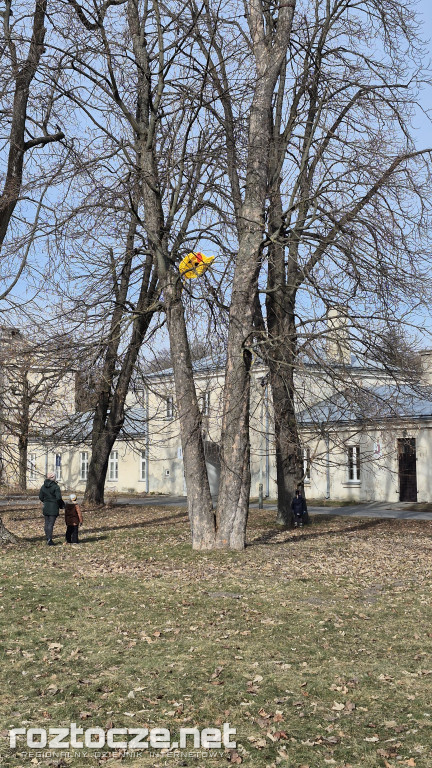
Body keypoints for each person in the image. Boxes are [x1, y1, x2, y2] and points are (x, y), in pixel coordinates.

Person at [39, 472, 64, 545]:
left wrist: (46, 501)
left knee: (47, 523)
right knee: (50, 524)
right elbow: (58, 498)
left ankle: (48, 538)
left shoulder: (43, 486)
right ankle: (49, 540)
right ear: (53, 477)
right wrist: (62, 505)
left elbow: (40, 497)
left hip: (46, 507)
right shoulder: (56, 487)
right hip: (53, 507)